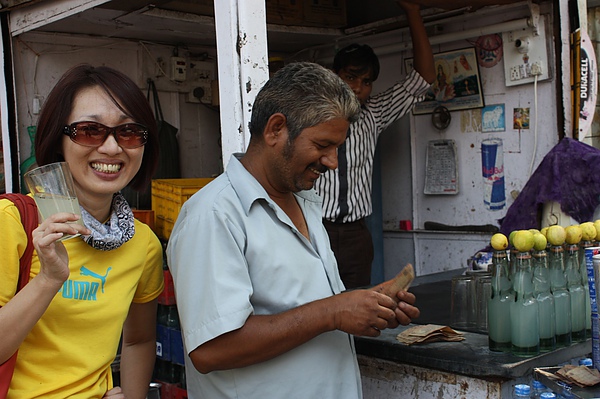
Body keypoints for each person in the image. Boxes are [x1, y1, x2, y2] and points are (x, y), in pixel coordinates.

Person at [166, 62, 420, 399]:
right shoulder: (214, 214)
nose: (332, 162)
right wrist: (334, 312)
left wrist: (366, 306)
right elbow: (210, 350)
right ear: (275, 129)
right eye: (322, 145)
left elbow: (306, 309)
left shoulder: (306, 203)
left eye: (336, 149)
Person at [0, 64, 164, 398]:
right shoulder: (13, 222)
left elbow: (139, 339)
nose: (112, 148)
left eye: (129, 132)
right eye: (90, 130)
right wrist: (48, 279)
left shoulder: (142, 243)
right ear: (58, 140)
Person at [314, 0, 435, 288]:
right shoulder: (312, 114)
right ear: (335, 77)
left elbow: (424, 79)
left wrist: (412, 12)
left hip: (357, 234)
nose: (357, 87)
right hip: (315, 229)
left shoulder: (375, 113)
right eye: (351, 77)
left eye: (366, 81)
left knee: (358, 306)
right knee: (315, 304)